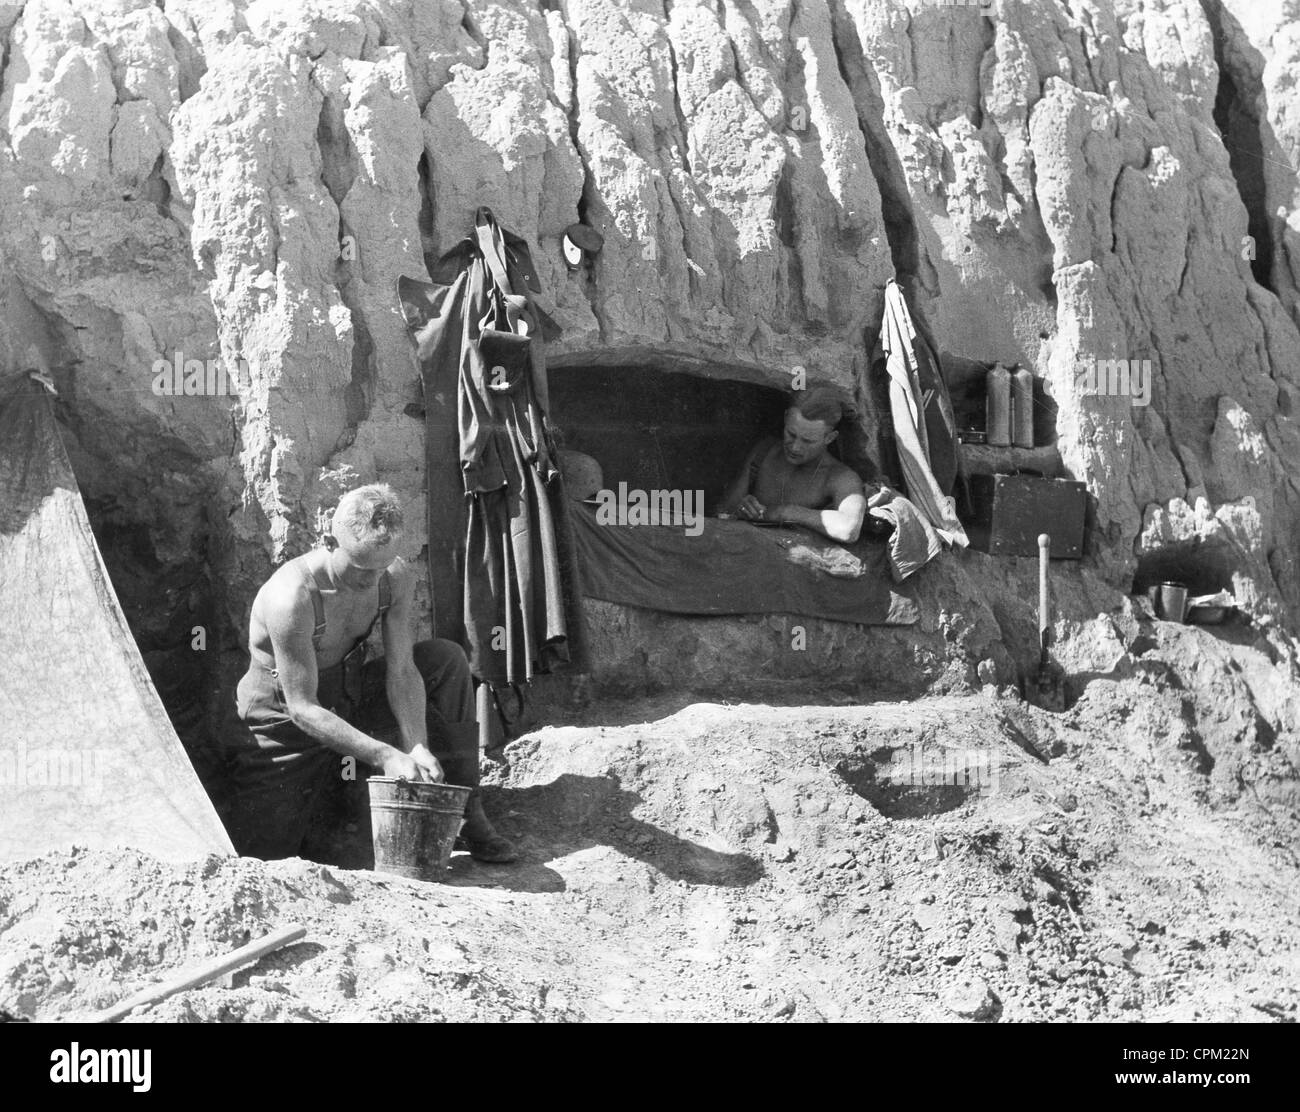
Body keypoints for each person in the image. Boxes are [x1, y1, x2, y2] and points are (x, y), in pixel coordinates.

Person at [224, 483, 517, 864]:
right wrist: (384, 755)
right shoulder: (291, 597)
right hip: (283, 727)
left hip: (347, 698)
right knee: (267, 856)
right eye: (361, 569)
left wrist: (415, 745)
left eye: (381, 568)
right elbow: (301, 707)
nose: (371, 581)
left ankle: (465, 809)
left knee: (445, 659)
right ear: (330, 541)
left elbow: (402, 669)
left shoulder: (392, 577)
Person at [717, 387, 893, 542]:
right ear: (786, 419)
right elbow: (721, 513)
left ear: (829, 438)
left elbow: (848, 529)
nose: (795, 447)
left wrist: (786, 512)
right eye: (791, 434)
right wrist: (742, 508)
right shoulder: (764, 452)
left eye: (807, 441)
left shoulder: (840, 477)